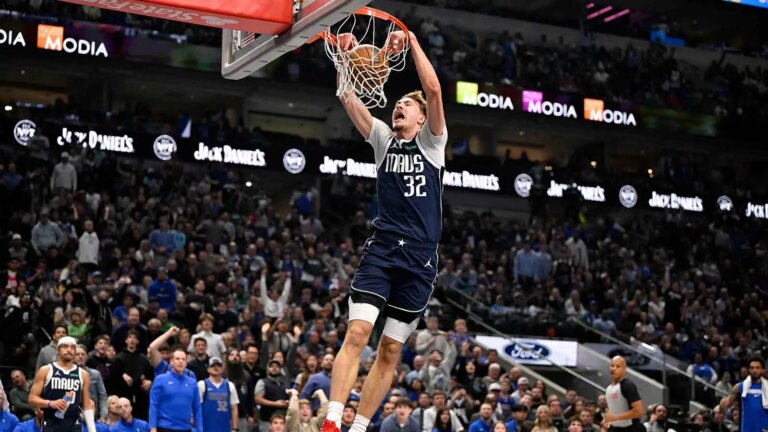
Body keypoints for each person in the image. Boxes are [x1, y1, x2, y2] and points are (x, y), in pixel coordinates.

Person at [321, 28, 447, 432]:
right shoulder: (382, 139)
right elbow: (347, 98)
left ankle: (359, 426)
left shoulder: (432, 143)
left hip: (421, 258)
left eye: (406, 105)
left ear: (422, 117)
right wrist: (343, 59)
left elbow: (433, 87)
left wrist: (410, 42)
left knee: (391, 350)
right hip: (383, 250)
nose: (398, 108)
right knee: (358, 332)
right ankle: (333, 419)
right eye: (396, 104)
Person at [27, 336, 98, 432]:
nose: (69, 350)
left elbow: (87, 405)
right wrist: (50, 403)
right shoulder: (46, 370)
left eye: (72, 347)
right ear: (58, 349)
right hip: (51, 422)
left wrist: (92, 430)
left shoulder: (83, 374)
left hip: (73, 424)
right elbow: (32, 399)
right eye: (65, 346)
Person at [149, 348, 203, 432]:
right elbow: (153, 404)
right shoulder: (160, 379)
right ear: (171, 361)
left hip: (186, 428)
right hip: (164, 427)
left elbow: (197, 408)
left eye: (183, 359)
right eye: (177, 359)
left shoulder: (192, 382)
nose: (180, 361)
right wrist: (152, 427)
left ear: (186, 363)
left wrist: (200, 430)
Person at [719, 356, 768, 432]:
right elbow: (727, 405)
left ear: (763, 370)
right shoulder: (739, 387)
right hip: (745, 428)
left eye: (757, 368)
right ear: (748, 370)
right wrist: (722, 405)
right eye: (752, 368)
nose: (754, 370)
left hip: (764, 428)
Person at [197, 357, 239, 432]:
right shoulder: (202, 385)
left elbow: (234, 408)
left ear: (222, 369)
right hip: (206, 428)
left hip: (225, 428)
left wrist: (234, 428)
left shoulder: (230, 385)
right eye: (213, 366)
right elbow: (196, 408)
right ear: (208, 369)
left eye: (218, 365)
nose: (216, 367)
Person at [604, 357, 644, 432]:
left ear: (624, 369)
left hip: (632, 428)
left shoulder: (627, 385)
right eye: (612, 366)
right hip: (616, 428)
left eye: (618, 366)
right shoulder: (608, 388)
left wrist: (615, 417)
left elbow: (639, 411)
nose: (614, 368)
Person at [73, 346, 108, 421]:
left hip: (93, 416)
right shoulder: (67, 374)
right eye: (77, 354)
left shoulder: (95, 374)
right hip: (74, 417)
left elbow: (103, 396)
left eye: (83, 354)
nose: (80, 356)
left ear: (86, 357)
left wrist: (103, 415)